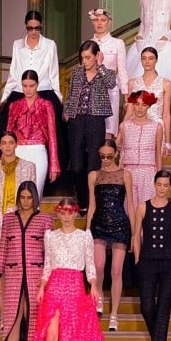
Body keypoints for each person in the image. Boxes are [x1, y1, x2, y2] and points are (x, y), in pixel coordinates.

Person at [25, 197, 113, 341]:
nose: (66, 216)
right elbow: (48, 265)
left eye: (70, 211)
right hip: (54, 288)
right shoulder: (50, 236)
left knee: (72, 338)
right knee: (52, 336)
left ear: (76, 213)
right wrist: (41, 287)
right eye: (62, 212)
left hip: (74, 288)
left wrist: (93, 285)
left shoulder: (84, 237)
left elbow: (90, 266)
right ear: (58, 213)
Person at [0, 10, 64, 191]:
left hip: (44, 91)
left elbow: (54, 73)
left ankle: (45, 185)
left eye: (36, 28)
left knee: (50, 138)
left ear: (41, 26)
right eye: (29, 28)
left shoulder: (50, 45)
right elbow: (14, 72)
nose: (33, 31)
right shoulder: (17, 45)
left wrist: (58, 97)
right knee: (9, 135)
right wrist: (5, 97)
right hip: (20, 91)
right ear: (25, 27)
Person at [0, 181, 53, 341]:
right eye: (22, 197)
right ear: (18, 198)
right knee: (12, 318)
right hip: (12, 275)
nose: (26, 201)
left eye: (29, 197)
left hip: (36, 275)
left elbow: (49, 252)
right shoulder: (9, 219)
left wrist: (47, 277)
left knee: (35, 317)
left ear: (35, 198)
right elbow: (3, 248)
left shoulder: (45, 219)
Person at [133, 170, 171, 341]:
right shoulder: (142, 207)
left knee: (163, 306)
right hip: (147, 260)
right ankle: (159, 340)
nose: (162, 188)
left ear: (170, 186)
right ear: (154, 184)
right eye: (159, 184)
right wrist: (137, 258)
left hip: (170, 261)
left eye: (166, 185)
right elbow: (136, 234)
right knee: (146, 306)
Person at [0, 132, 37, 315]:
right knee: (1, 271)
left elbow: (33, 198)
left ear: (16, 144)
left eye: (10, 142)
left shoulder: (28, 167)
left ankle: (20, 315)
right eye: (3, 143)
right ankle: (5, 316)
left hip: (20, 222)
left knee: (19, 269)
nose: (7, 146)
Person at [63, 40, 117, 212]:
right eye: (82, 58)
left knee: (94, 161)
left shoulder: (105, 72)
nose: (84, 61)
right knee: (77, 164)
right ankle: (84, 201)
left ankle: (94, 203)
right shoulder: (77, 72)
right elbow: (71, 95)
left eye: (88, 57)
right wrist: (67, 110)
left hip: (96, 119)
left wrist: (100, 66)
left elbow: (112, 83)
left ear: (96, 56)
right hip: (77, 119)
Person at [86, 139, 133, 330]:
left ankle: (114, 313)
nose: (105, 159)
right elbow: (92, 205)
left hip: (120, 224)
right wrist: (87, 230)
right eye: (101, 156)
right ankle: (99, 302)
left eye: (108, 156)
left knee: (116, 271)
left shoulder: (125, 175)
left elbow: (130, 204)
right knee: (98, 266)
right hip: (99, 223)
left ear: (115, 154)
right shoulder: (93, 175)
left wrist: (135, 233)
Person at [6, 69, 60, 197]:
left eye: (32, 86)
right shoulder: (14, 105)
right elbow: (8, 134)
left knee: (34, 194)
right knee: (17, 196)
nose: (28, 89)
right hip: (18, 152)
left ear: (37, 84)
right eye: (25, 86)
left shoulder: (46, 105)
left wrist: (54, 164)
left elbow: (52, 135)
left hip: (38, 151)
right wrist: (5, 158)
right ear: (21, 85)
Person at [117, 90, 162, 215]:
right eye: (137, 104)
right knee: (128, 208)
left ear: (148, 106)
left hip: (148, 172)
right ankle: (131, 234)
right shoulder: (124, 126)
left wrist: (159, 176)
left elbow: (158, 153)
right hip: (128, 171)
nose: (140, 108)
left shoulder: (156, 127)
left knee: (146, 210)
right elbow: (122, 152)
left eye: (144, 105)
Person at [125, 46, 171, 158]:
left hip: (156, 129)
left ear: (156, 60)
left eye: (151, 58)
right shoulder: (133, 83)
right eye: (144, 58)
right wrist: (121, 134)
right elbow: (129, 111)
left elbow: (166, 114)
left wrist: (167, 143)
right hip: (135, 127)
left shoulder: (166, 83)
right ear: (141, 60)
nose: (147, 61)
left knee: (154, 165)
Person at [89, 8, 128, 138]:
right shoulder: (87, 44)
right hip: (92, 93)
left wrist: (126, 97)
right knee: (93, 131)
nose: (99, 23)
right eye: (96, 20)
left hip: (111, 90)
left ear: (109, 22)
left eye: (103, 20)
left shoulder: (117, 43)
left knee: (109, 131)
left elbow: (122, 70)